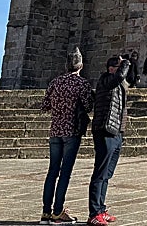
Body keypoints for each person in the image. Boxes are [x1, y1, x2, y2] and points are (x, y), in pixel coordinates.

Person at [40, 47, 93, 225]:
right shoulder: (82, 84)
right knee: (65, 173)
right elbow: (87, 106)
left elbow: (45, 105)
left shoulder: (55, 82)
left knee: (52, 171)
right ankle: (57, 211)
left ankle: (45, 212)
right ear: (81, 65)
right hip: (72, 132)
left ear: (66, 65)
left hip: (55, 130)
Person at [88, 55, 130, 226]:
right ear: (111, 68)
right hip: (105, 131)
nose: (122, 70)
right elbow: (121, 75)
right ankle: (94, 213)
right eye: (118, 66)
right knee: (100, 173)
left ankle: (101, 209)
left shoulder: (119, 84)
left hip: (116, 132)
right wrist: (125, 62)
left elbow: (127, 77)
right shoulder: (106, 80)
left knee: (107, 174)